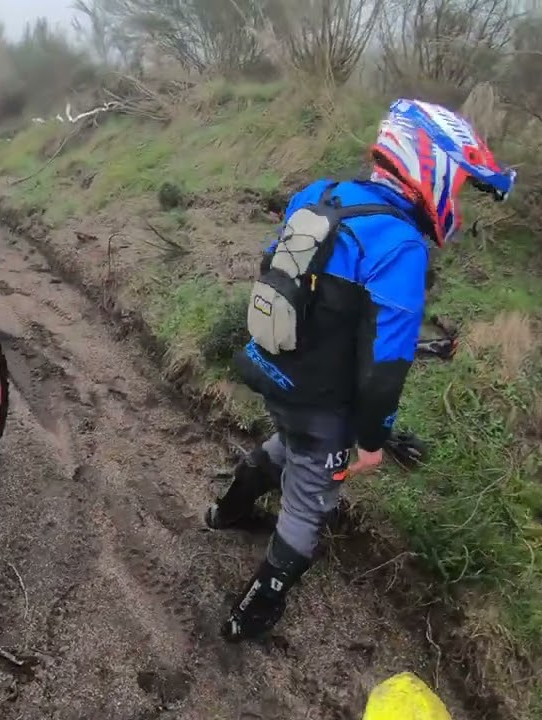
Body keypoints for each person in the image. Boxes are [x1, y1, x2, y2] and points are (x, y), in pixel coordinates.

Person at [208, 99, 515, 641]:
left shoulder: (321, 194)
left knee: (291, 444)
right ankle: (245, 621)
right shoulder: (400, 246)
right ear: (432, 168)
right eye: (460, 184)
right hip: (319, 398)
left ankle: (223, 514)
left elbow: (305, 288)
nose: (458, 197)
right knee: (310, 505)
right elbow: (382, 373)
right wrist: (373, 441)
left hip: (273, 367)